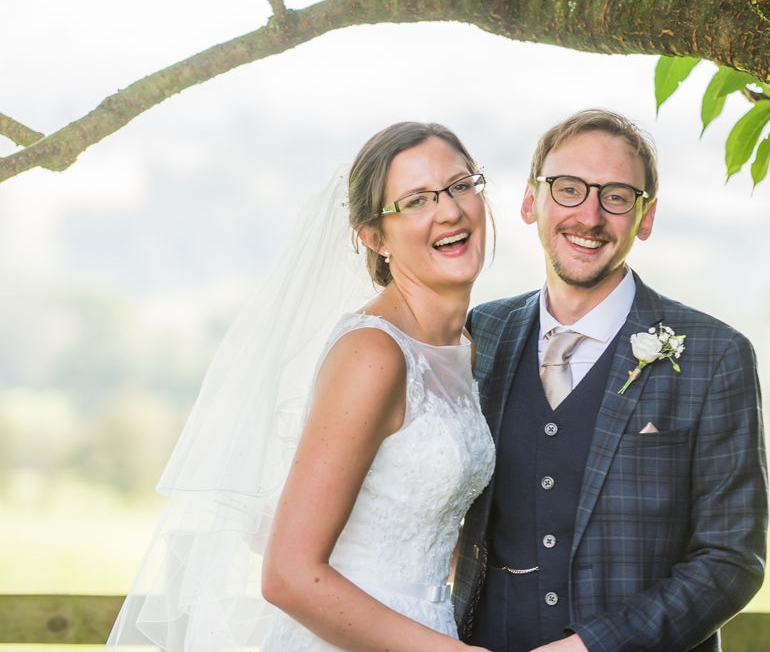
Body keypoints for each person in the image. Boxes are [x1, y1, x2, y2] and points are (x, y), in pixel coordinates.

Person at [107, 122, 496, 651]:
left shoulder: (470, 347)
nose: (449, 210)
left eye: (459, 186)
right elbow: (288, 575)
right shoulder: (374, 354)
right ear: (374, 237)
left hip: (427, 629)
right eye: (417, 200)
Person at [453, 109, 768, 652]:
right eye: (568, 189)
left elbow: (731, 559)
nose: (590, 216)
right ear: (532, 201)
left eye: (617, 196)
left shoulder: (717, 355)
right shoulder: (480, 332)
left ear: (644, 218)